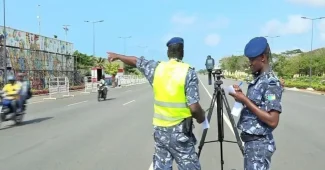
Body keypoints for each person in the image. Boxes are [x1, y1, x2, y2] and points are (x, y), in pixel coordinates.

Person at [108, 37, 205, 170]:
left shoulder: (156, 68)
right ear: (182, 51)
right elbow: (194, 107)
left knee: (162, 166)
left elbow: (135, 61)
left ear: (168, 52)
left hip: (160, 132)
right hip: (180, 132)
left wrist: (117, 56)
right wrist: (202, 117)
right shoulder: (188, 72)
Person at [228, 37, 282, 170]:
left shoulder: (271, 82)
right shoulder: (260, 80)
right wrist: (241, 97)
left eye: (252, 60)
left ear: (263, 58)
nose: (249, 64)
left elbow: (272, 120)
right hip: (252, 143)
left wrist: (245, 100)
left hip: (259, 144)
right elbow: (259, 106)